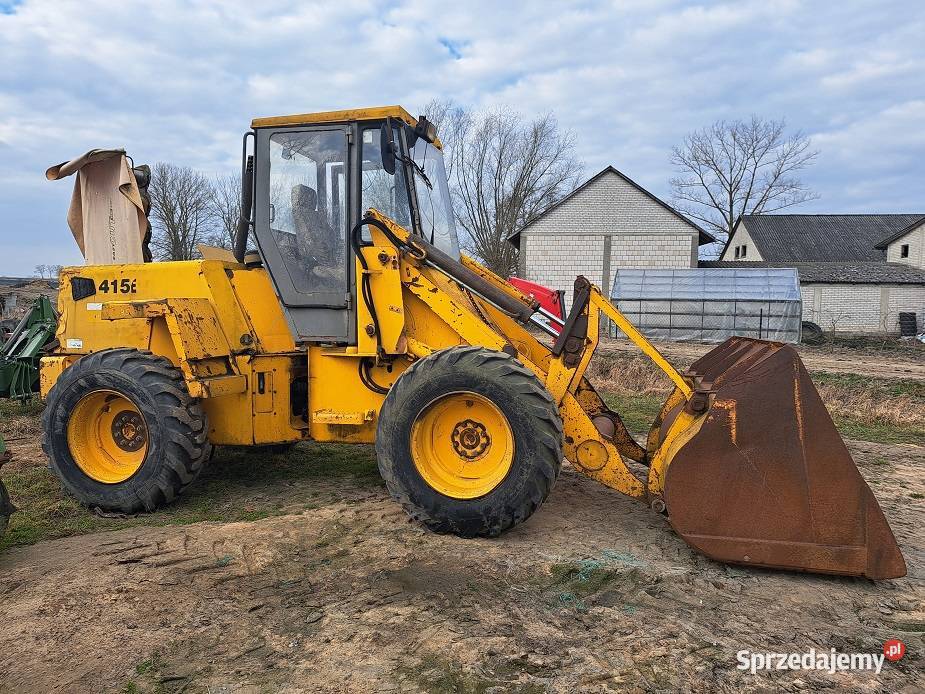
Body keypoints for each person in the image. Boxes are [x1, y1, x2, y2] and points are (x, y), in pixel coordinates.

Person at [291, 184, 343, 289]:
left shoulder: (316, 218)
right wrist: (332, 265)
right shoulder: (302, 218)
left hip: (329, 259)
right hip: (319, 261)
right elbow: (310, 246)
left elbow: (332, 239)